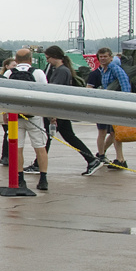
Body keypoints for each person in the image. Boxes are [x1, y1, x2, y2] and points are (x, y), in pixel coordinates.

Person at [42, 45, 98, 175]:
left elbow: (55, 92)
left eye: (48, 58)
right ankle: (91, 159)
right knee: (68, 136)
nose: (47, 61)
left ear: (54, 57)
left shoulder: (61, 71)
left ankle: (38, 163)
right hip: (61, 110)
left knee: (47, 137)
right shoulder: (61, 70)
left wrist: (52, 113)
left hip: (58, 110)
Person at [3, 48, 50, 191]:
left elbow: (4, 95)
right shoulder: (38, 73)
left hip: (14, 116)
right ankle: (43, 179)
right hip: (34, 115)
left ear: (16, 60)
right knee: (40, 147)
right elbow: (45, 93)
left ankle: (20, 178)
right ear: (30, 60)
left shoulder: (9, 73)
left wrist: (5, 112)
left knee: (17, 148)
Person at [94, 47, 134, 169]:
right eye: (101, 57)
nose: (103, 59)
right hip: (110, 103)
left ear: (111, 57)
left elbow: (125, 84)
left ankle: (119, 159)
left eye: (105, 56)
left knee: (115, 132)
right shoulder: (104, 70)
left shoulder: (115, 68)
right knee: (114, 132)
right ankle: (119, 159)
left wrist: (125, 102)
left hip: (117, 104)